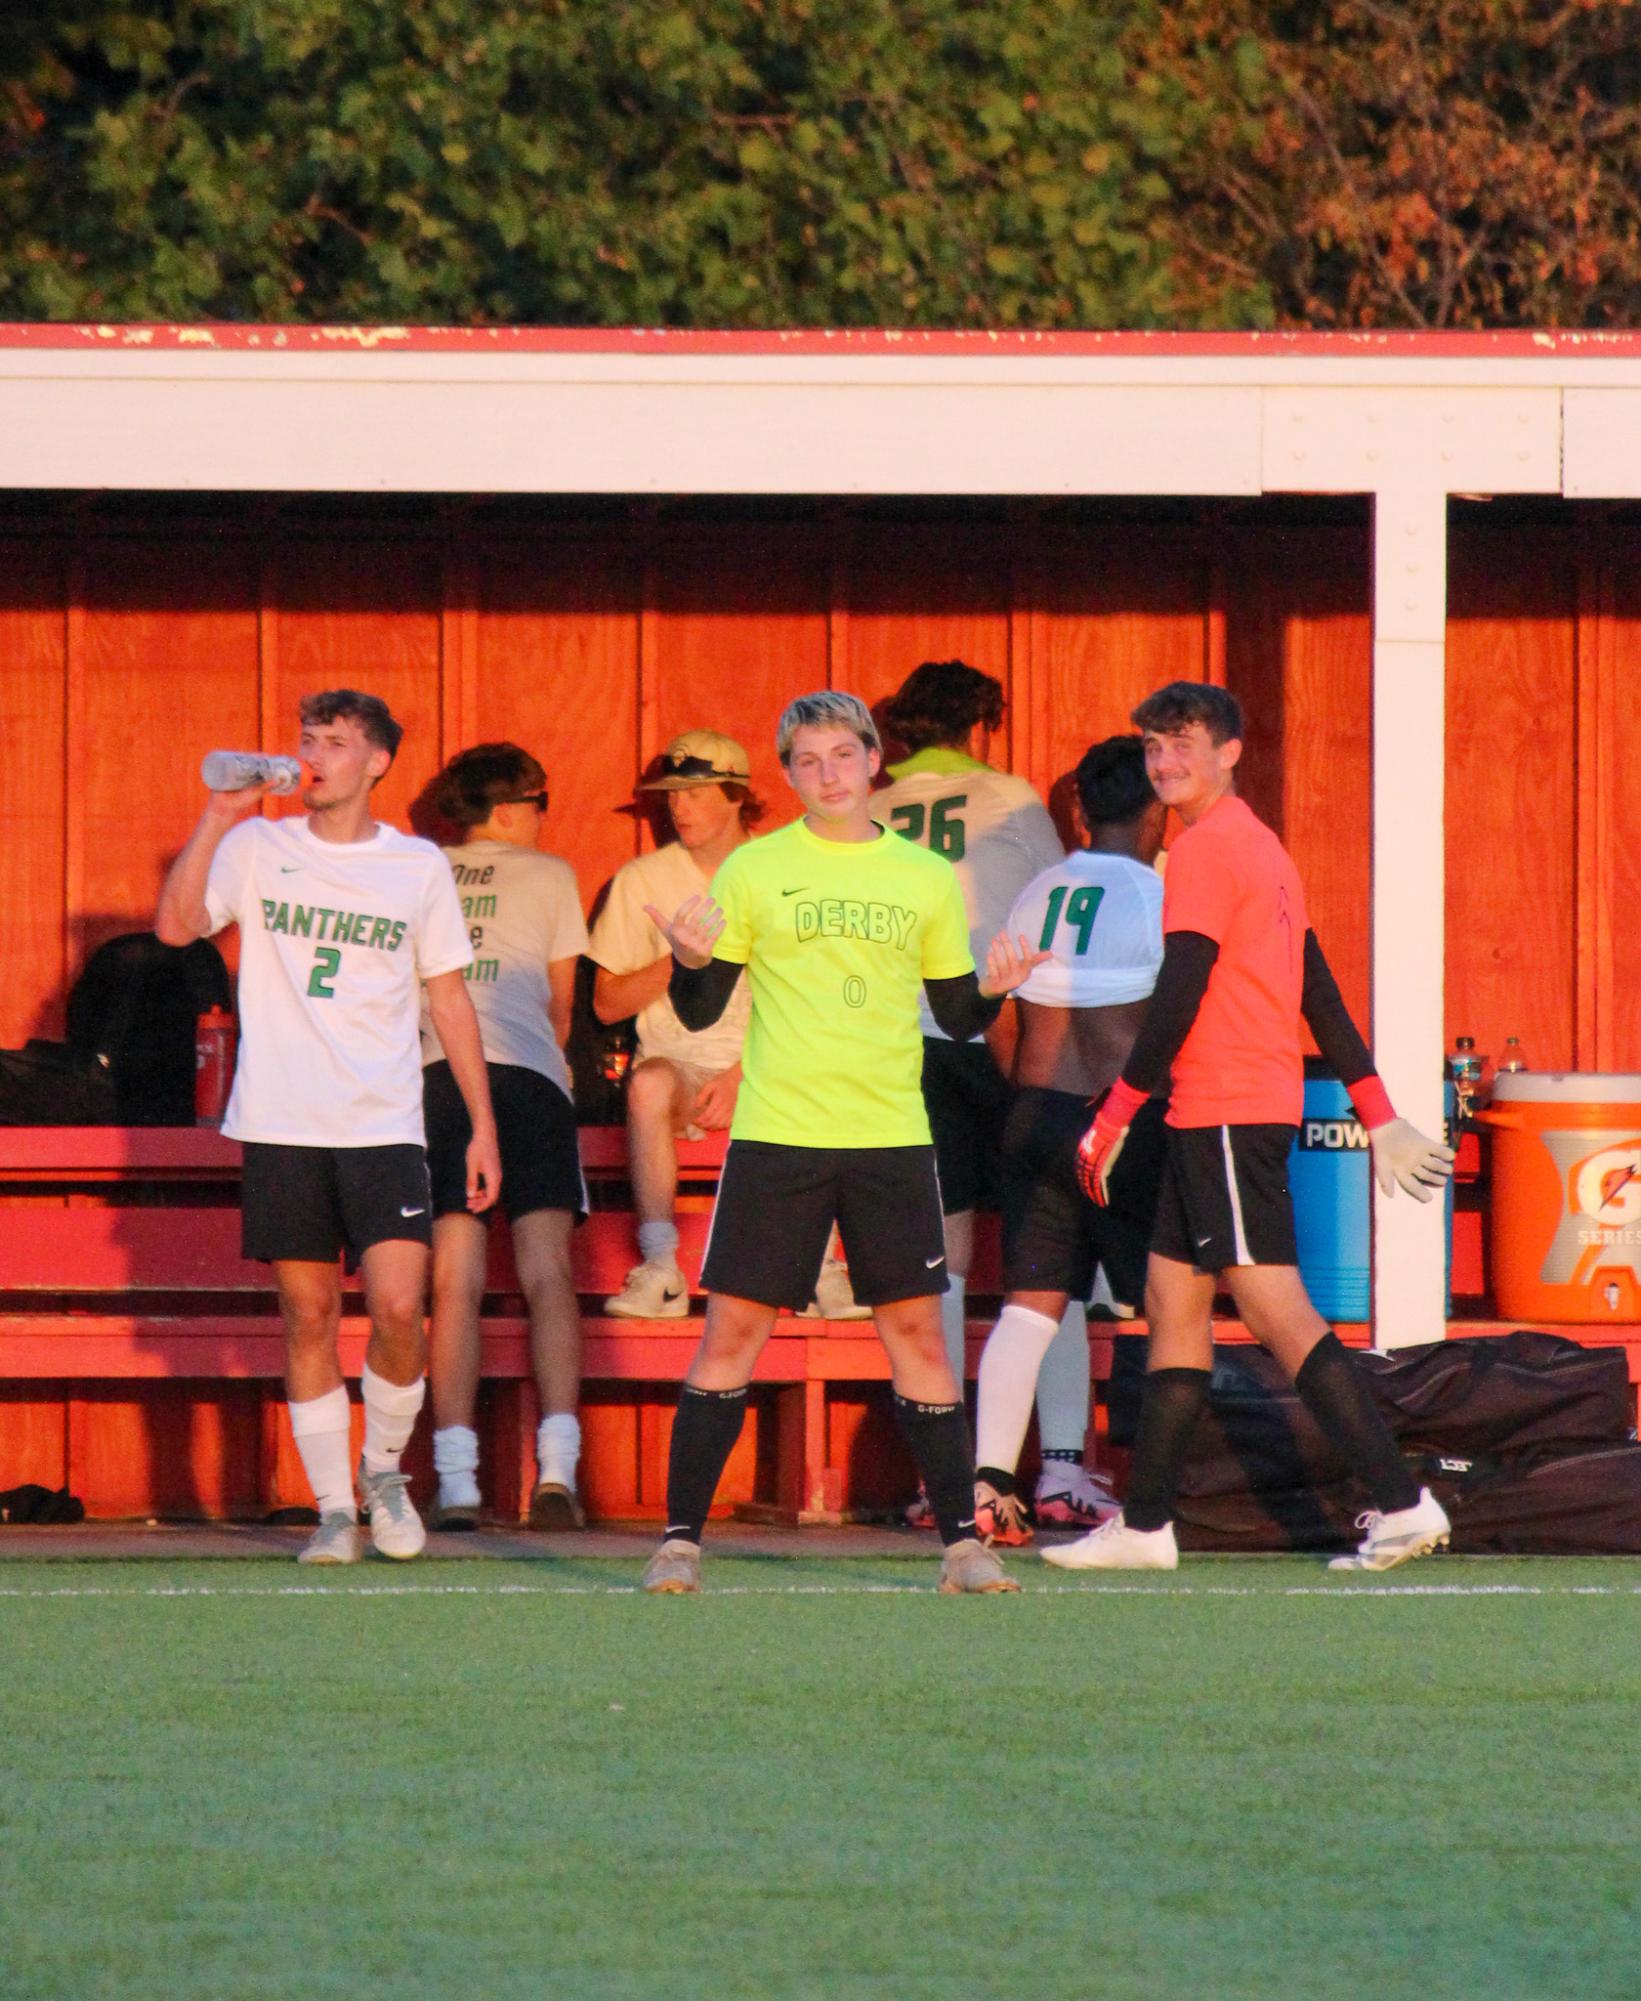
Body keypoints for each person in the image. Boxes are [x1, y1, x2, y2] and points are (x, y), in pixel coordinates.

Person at [639, 690, 1049, 1595]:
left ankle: (960, 1547)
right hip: (779, 1134)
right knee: (733, 1330)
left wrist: (999, 986)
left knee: (917, 1336)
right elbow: (703, 1006)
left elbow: (954, 1012)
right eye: (807, 761)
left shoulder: (922, 876)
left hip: (890, 1136)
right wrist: (689, 960)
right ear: (787, 775)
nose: (827, 774)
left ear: (873, 762)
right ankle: (678, 1542)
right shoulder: (754, 868)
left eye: (841, 755)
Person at [1045, 682, 1455, 1575]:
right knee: (1171, 1303)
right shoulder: (1261, 847)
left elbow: (1180, 992)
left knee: (1276, 1309)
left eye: (1183, 741)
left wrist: (1115, 1111)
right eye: (1153, 745)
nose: (1165, 760)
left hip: (1226, 1111)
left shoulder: (1202, 851)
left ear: (1230, 750)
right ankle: (1147, 1525)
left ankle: (1399, 1501)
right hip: (1216, 1110)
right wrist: (1375, 1110)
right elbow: (1314, 983)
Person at [156, 690, 499, 1565]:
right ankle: (334, 1508)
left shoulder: (416, 865)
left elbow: (449, 998)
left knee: (396, 1307)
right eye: (309, 739)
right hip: (282, 1119)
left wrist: (482, 1127)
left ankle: (383, 1470)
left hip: (385, 1123)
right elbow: (174, 927)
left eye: (335, 743)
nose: (314, 756)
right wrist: (215, 815)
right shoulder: (257, 845)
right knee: (306, 1312)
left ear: (376, 761)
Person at [874, 660, 1092, 1530]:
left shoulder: (875, 807)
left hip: (904, 1044)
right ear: (981, 726)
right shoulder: (1008, 798)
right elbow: (1050, 912)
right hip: (1008, 1033)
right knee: (1053, 1250)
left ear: (900, 731)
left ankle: (951, 1476)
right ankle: (1064, 1466)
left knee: (944, 1260)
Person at [590, 729, 865, 1322]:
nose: (678, 807)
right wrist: (685, 958)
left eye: (694, 793)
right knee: (647, 1084)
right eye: (671, 795)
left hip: (767, 1066)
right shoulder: (643, 880)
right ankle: (662, 1269)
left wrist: (746, 1072)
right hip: (679, 1069)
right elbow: (607, 1003)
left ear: (736, 795)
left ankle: (821, 1269)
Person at [971, 735, 1169, 1545]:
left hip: (1034, 1112)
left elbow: (998, 1016)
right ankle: (1164, 1495)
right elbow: (1174, 1025)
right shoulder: (1160, 898)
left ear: (1080, 810)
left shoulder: (1036, 891)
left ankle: (986, 1486)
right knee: (1170, 1309)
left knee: (1028, 1307)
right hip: (1119, 1120)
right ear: (1157, 807)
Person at [420, 743, 591, 1531]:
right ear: (512, 804)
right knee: (546, 1273)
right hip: (525, 1076)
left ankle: (457, 1481)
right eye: (539, 798)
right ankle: (556, 1469)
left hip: (433, 1075)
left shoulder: (419, 869)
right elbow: (561, 1009)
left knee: (453, 1279)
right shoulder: (550, 873)